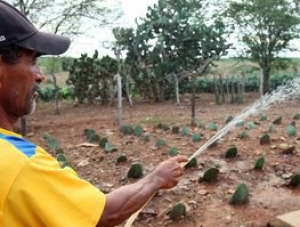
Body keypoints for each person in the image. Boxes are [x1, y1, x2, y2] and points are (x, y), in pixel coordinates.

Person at [0, 1, 188, 227]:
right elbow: (103, 213)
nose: (39, 75)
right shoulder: (17, 164)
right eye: (31, 61)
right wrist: (156, 179)